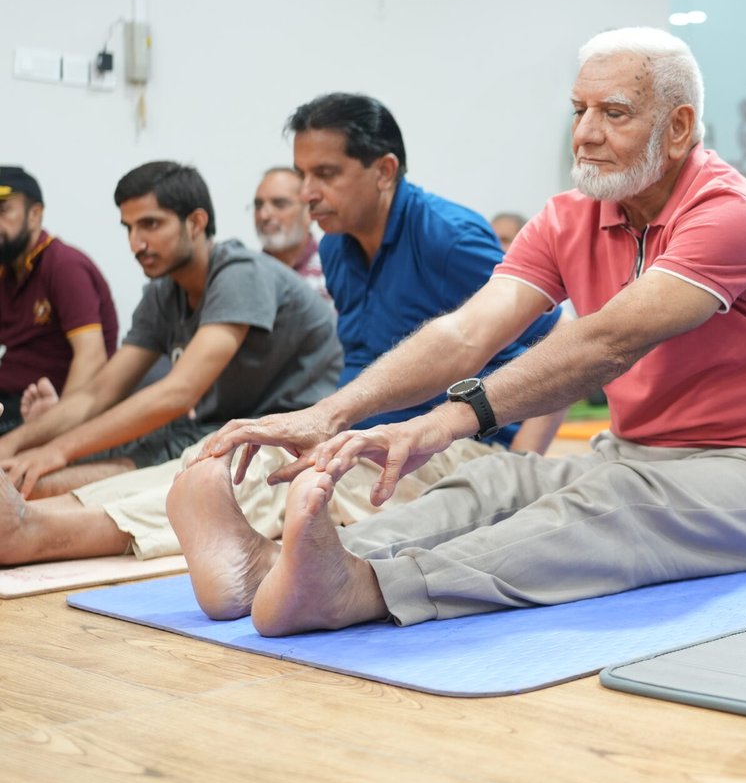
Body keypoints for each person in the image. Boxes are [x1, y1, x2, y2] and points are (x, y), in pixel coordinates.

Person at [168, 27, 746, 634]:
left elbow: (607, 342)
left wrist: (442, 422)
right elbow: (466, 333)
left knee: (610, 502)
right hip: (637, 451)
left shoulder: (728, 211)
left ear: (678, 127)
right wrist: (330, 414)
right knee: (495, 479)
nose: (584, 134)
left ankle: (366, 588)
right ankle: (272, 569)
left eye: (613, 113)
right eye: (578, 111)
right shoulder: (569, 217)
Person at [0, 96, 562, 566]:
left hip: (441, 447)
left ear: (384, 171)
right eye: (302, 175)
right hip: (357, 434)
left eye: (326, 174)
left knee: (277, 483)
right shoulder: (337, 247)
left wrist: (517, 470)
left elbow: (556, 345)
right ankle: (42, 512)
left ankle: (38, 532)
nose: (307, 192)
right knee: (214, 457)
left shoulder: (449, 237)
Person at [0, 162, 340, 502]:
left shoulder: (240, 273)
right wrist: (15, 442)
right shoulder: (163, 292)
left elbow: (179, 392)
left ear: (196, 222)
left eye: (151, 224)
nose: (136, 243)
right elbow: (98, 393)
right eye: (129, 228)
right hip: (216, 427)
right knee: (36, 462)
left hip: (283, 436)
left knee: (43, 478)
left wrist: (57, 450)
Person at [0, 166, 118, 435]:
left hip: (45, 408)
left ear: (34, 215)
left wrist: (54, 428)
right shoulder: (6, 271)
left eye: (3, 210)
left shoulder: (64, 266)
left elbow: (91, 357)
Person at [254, 166, 326, 298]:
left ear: (308, 212)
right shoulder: (245, 274)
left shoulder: (332, 271)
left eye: (279, 204)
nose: (264, 215)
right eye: (258, 205)